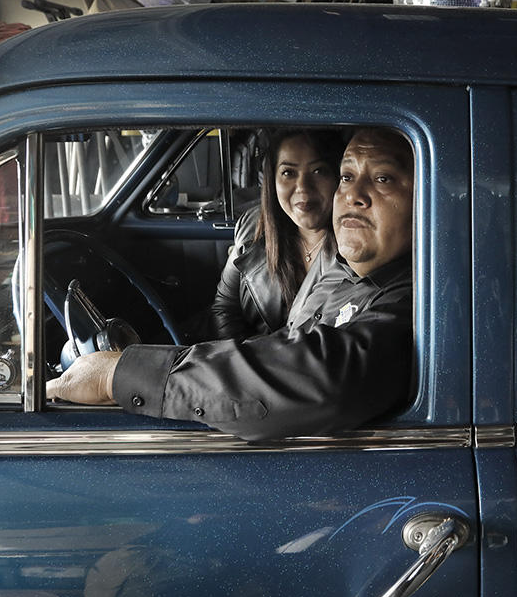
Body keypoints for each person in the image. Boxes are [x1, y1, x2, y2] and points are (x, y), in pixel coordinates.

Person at [45, 127, 415, 440]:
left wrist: (118, 374)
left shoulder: (417, 297)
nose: (352, 195)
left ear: (427, 197)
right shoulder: (336, 263)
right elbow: (264, 328)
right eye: (348, 177)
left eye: (382, 179)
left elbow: (326, 376)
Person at [211, 129, 341, 339]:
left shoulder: (356, 244)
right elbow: (225, 306)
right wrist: (238, 359)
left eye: (318, 171)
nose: (303, 189)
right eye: (288, 173)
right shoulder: (252, 227)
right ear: (272, 180)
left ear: (338, 176)